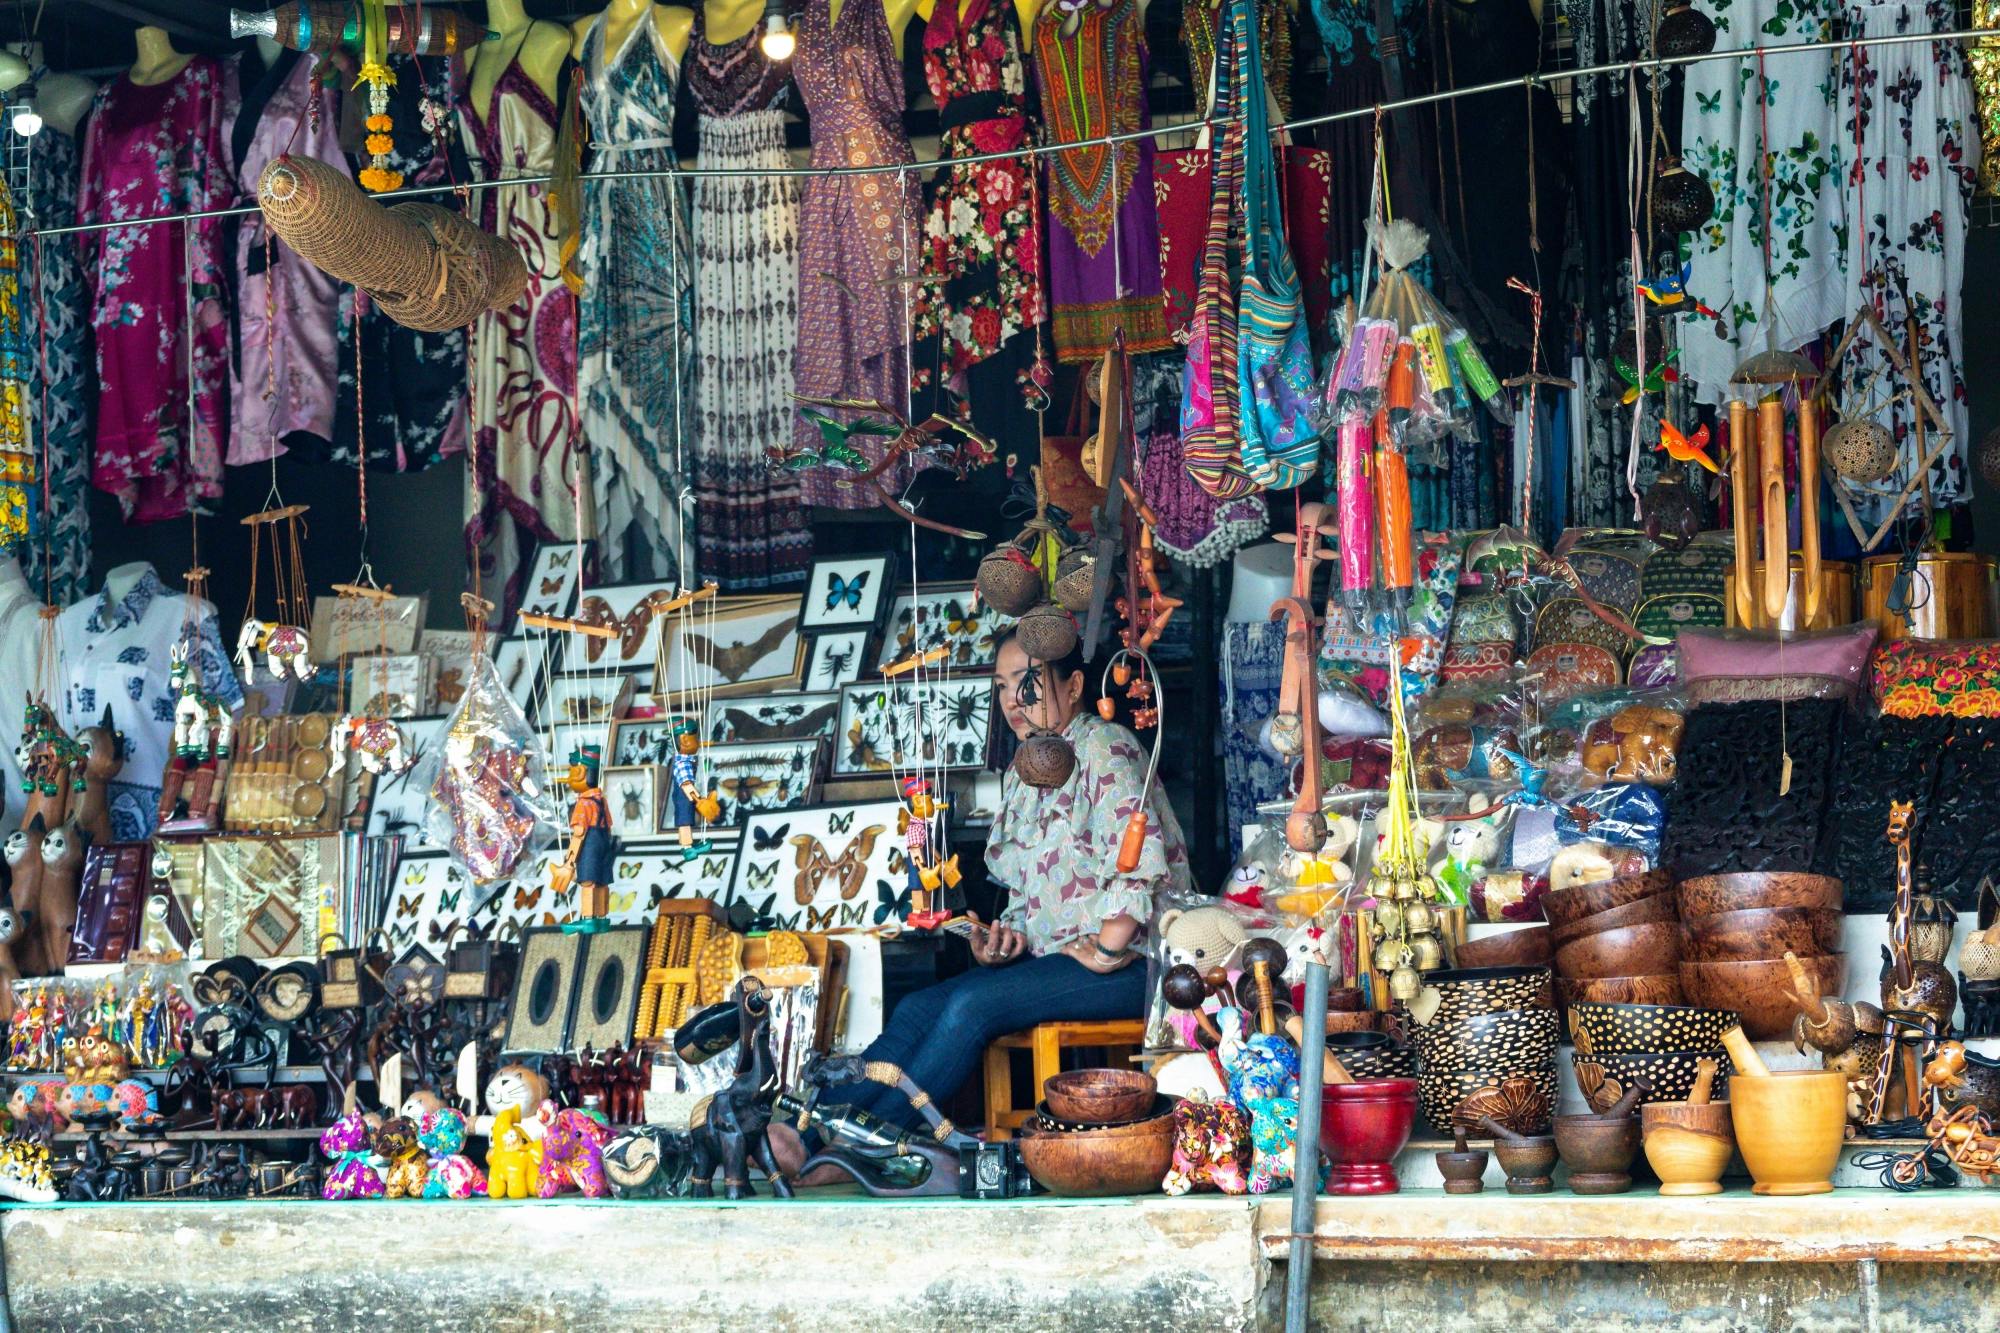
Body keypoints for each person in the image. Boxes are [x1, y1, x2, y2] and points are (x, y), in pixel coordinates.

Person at [802, 627, 1191, 1137]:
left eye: (1027, 683)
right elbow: (1028, 890)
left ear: (1073, 686)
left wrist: (1103, 949)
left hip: (1133, 965)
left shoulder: (1105, 747)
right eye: (1003, 686)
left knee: (973, 1005)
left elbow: (1136, 864)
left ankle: (868, 1139)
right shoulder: (1023, 770)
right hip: (1057, 962)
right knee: (919, 1005)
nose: (1014, 700)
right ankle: (815, 1129)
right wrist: (1004, 941)